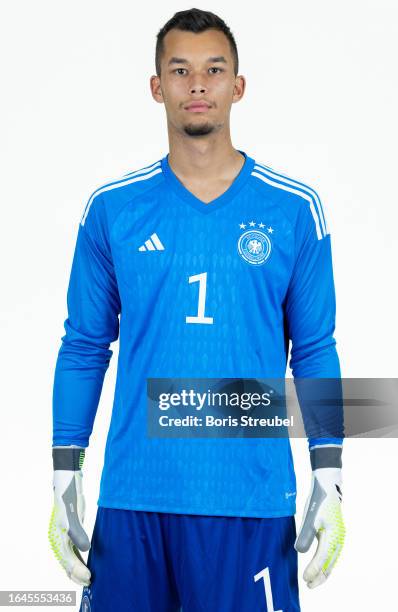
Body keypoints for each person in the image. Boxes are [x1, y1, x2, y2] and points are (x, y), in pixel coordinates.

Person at [48, 8, 345, 611]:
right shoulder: (114, 210)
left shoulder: (293, 210)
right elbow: (84, 345)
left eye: (214, 69)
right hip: (135, 499)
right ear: (157, 87)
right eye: (180, 70)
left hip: (249, 504)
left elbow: (314, 349)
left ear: (239, 86)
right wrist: (63, 474)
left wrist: (330, 471)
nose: (198, 84)